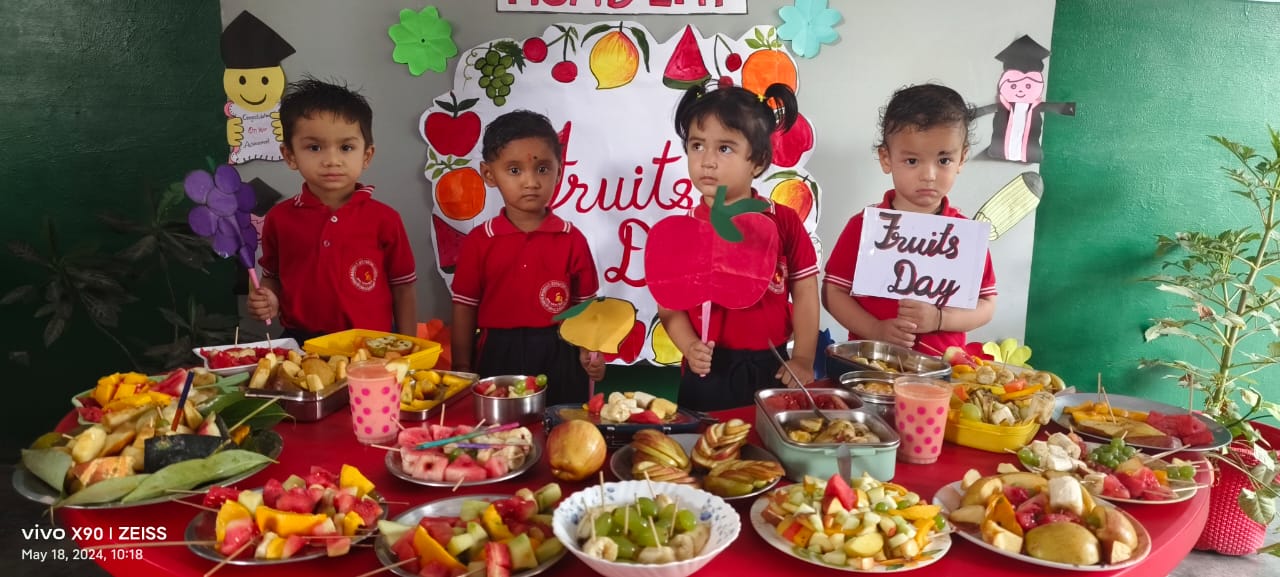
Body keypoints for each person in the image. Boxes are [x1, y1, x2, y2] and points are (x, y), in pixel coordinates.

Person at [656, 84, 820, 411]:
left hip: (772, 365)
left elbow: (804, 292)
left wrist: (803, 357)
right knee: (703, 440)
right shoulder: (681, 231)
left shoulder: (783, 221)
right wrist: (689, 346)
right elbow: (669, 307)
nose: (707, 161)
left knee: (771, 442)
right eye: (697, 145)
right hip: (708, 369)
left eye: (725, 148)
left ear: (757, 161)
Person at [823, 83, 997, 355]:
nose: (929, 175)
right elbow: (833, 293)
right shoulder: (864, 226)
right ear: (886, 158)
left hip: (943, 371)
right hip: (870, 365)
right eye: (912, 161)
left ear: (961, 159)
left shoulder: (964, 235)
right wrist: (874, 329)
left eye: (944, 160)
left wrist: (940, 319)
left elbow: (986, 304)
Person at [450, 110, 605, 406]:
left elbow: (585, 307)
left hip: (561, 349)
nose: (531, 181)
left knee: (563, 423)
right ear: (489, 174)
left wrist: (591, 352)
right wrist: (461, 366)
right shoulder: (480, 242)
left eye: (542, 169)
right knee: (499, 428)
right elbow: (464, 308)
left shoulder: (572, 239)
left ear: (559, 171)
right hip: (497, 352)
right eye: (514, 170)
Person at [247, 78, 418, 342]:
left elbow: (403, 287)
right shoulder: (279, 219)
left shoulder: (385, 219)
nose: (332, 160)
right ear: (290, 155)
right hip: (301, 345)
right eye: (314, 147)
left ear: (366, 155)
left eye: (346, 147)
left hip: (373, 346)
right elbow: (272, 278)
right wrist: (268, 300)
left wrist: (409, 347)